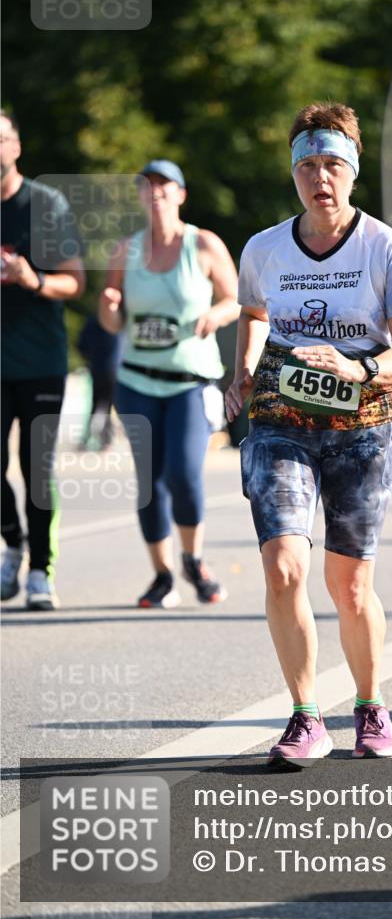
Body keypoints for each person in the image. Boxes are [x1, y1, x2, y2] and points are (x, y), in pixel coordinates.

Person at [225, 103, 392, 766]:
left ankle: (369, 705)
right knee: (284, 566)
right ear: (293, 173)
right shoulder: (262, 248)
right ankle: (305, 715)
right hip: (279, 421)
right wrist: (243, 372)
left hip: (363, 426)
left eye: (333, 165)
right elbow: (254, 312)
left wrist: (358, 366)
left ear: (352, 171)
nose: (321, 177)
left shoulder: (383, 246)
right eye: (308, 165)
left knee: (348, 586)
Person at [98, 159, 239, 608]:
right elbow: (112, 322)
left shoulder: (204, 245)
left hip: (190, 381)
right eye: (147, 186)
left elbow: (238, 299)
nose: (155, 193)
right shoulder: (126, 251)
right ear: (140, 196)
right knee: (150, 482)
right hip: (138, 381)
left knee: (183, 472)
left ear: (181, 194)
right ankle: (161, 575)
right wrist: (110, 303)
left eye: (165, 186)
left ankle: (193, 559)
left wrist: (216, 314)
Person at [1, 109, 85, 610]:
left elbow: (74, 281)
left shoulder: (44, 205)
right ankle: (13, 541)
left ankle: (40, 571)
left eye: (1, 138)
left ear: (16, 146)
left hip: (39, 360)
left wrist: (31, 278)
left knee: (37, 468)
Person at [76, 312, 123, 450]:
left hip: (98, 369)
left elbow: (82, 346)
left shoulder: (93, 320)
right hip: (116, 370)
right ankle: (105, 441)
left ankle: (89, 440)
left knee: (97, 405)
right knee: (107, 406)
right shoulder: (122, 319)